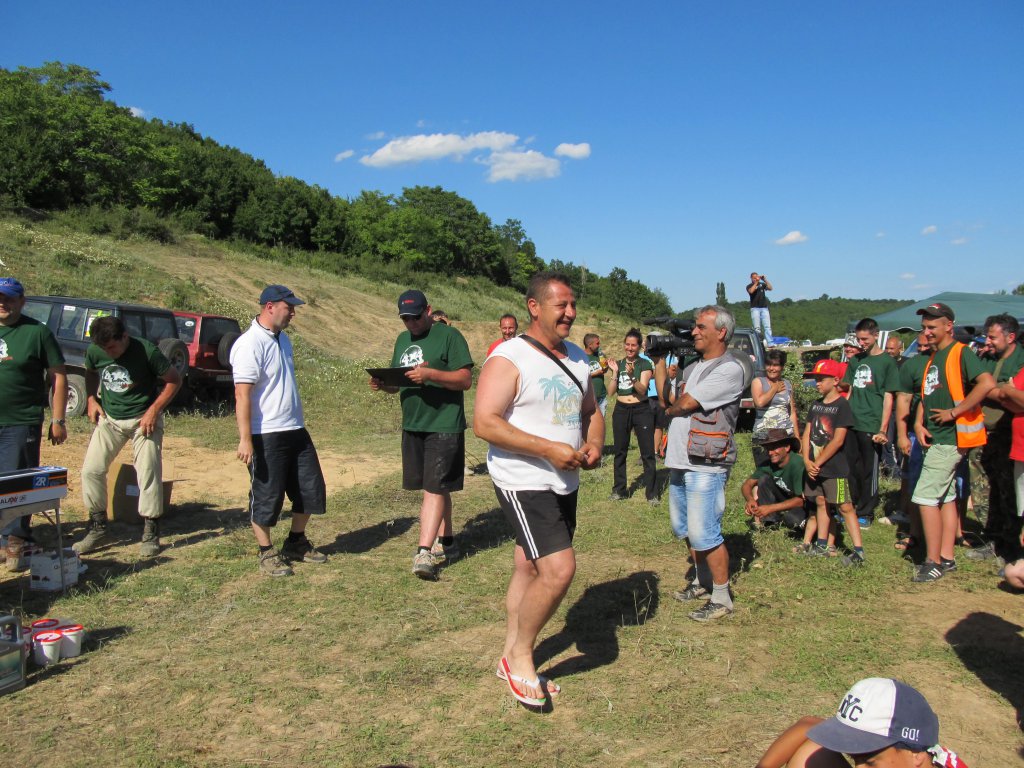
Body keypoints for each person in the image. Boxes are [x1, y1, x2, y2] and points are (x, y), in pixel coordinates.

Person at [473, 272, 603, 707]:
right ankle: (521, 657)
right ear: (534, 306)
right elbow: (485, 422)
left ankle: (509, 653)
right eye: (561, 305)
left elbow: (591, 411)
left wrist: (594, 442)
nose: (570, 313)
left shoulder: (579, 358)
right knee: (559, 570)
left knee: (529, 565)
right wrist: (548, 449)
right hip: (522, 478)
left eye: (573, 305)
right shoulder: (509, 357)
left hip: (564, 479)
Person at [370, 289, 473, 580]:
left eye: (415, 317)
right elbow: (400, 383)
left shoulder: (449, 336)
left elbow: (465, 379)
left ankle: (424, 551)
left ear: (428, 310)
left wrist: (430, 375)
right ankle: (448, 541)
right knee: (436, 486)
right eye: (405, 319)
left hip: (444, 423)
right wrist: (384, 385)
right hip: (414, 424)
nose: (411, 323)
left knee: (433, 488)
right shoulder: (402, 340)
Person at [231, 285, 328, 577]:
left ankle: (296, 542)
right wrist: (245, 439)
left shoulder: (283, 339)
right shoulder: (249, 344)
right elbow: (242, 395)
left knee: (311, 489)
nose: (293, 313)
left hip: (295, 428)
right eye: (289, 308)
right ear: (270, 306)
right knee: (267, 496)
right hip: (265, 433)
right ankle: (266, 552)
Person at [662, 305, 745, 622]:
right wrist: (659, 361)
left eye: (700, 327)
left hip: (706, 465)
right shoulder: (694, 367)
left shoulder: (729, 369)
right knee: (684, 528)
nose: (693, 332)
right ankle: (702, 581)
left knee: (705, 532)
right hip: (681, 460)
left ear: (721, 332)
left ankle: (722, 598)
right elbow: (669, 399)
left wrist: (671, 410)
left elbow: (684, 404)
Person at [73, 315, 182, 557]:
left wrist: (154, 410)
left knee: (148, 470)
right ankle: (98, 526)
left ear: (124, 336)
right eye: (104, 349)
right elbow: (90, 371)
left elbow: (174, 380)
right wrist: (91, 399)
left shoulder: (146, 351)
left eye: (112, 347)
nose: (108, 352)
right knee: (91, 470)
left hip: (143, 419)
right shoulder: (96, 350)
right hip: (110, 419)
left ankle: (151, 530)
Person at [911, 303, 994, 582]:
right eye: (924, 327)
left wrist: (955, 412)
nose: (927, 332)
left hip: (950, 438)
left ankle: (932, 561)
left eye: (932, 327)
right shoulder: (935, 356)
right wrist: (919, 423)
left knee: (925, 498)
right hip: (937, 437)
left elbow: (986, 383)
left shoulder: (960, 353)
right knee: (946, 498)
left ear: (949, 326)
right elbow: (929, 395)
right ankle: (946, 557)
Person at [0, 277, 68, 571]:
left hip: (20, 420)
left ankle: (15, 538)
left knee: (15, 481)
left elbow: (58, 376)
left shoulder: (37, 332)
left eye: (9, 298)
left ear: (21, 301)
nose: (3, 303)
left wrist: (58, 419)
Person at [756, 677, 968, 768]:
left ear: (917, 755)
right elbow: (810, 725)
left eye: (871, 763)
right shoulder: (914, 755)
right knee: (813, 752)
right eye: (856, 759)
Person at [964, 314, 1024, 565]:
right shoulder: (985, 358)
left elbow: (1014, 397)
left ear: (1010, 337)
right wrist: (999, 388)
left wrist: (991, 389)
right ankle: (990, 538)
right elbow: (975, 386)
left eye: (992, 337)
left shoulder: (1020, 360)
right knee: (982, 489)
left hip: (1008, 434)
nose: (987, 341)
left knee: (1008, 492)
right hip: (981, 432)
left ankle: (1010, 545)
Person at [802, 359, 866, 565]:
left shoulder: (842, 406)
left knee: (845, 506)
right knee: (821, 502)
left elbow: (838, 440)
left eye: (822, 379)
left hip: (834, 468)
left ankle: (858, 550)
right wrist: (806, 460)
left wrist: (818, 462)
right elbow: (807, 433)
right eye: (816, 379)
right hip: (813, 467)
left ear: (836, 380)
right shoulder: (816, 405)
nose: (818, 383)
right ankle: (822, 544)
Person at [843, 318, 900, 526]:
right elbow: (850, 391)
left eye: (865, 339)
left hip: (871, 422)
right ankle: (852, 506)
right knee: (851, 468)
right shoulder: (855, 360)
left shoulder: (887, 362)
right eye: (859, 339)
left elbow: (888, 397)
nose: (861, 343)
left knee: (869, 470)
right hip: (852, 422)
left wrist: (883, 429)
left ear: (876, 335)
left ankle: (866, 512)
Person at [607, 329, 657, 503]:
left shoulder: (644, 364)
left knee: (647, 452)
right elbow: (610, 392)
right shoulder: (619, 363)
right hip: (621, 409)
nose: (629, 348)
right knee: (620, 451)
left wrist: (631, 376)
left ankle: (652, 493)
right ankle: (619, 490)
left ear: (638, 346)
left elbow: (642, 390)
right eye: (627, 344)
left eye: (633, 345)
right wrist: (615, 373)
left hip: (641, 409)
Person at [894, 331, 932, 553]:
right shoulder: (913, 365)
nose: (923, 348)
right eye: (920, 345)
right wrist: (901, 434)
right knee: (917, 483)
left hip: (946, 433)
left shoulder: (951, 359)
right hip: (916, 433)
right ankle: (916, 533)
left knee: (955, 488)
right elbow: (904, 399)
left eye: (927, 344)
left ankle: (955, 534)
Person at [741, 428, 806, 530]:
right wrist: (750, 500)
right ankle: (769, 521)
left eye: (774, 448)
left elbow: (802, 500)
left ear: (787, 447)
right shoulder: (768, 465)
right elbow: (747, 485)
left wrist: (770, 508)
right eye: (769, 449)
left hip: (805, 504)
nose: (770, 452)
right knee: (764, 479)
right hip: (786, 498)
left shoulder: (797, 464)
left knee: (792, 520)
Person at [751, 349, 799, 466]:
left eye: (775, 365)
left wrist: (797, 437)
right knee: (765, 472)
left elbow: (792, 412)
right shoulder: (758, 382)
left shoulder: (787, 384)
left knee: (786, 471)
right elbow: (759, 402)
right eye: (768, 364)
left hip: (785, 436)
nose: (771, 368)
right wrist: (774, 388)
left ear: (782, 367)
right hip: (764, 436)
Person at [583, 333, 608, 417]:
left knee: (601, 423)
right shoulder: (581, 357)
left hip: (601, 397)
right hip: (587, 398)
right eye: (597, 343)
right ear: (590, 345)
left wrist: (606, 366)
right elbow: (580, 375)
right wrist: (595, 373)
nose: (599, 345)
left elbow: (604, 370)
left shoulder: (600, 355)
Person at [746, 272, 773, 343]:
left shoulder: (762, 284)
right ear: (751, 278)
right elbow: (751, 291)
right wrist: (756, 282)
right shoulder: (749, 286)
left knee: (767, 326)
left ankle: (770, 342)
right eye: (754, 278)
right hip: (755, 308)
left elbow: (770, 288)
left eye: (757, 277)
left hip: (764, 308)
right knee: (757, 328)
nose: (756, 279)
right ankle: (759, 342)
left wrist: (765, 280)